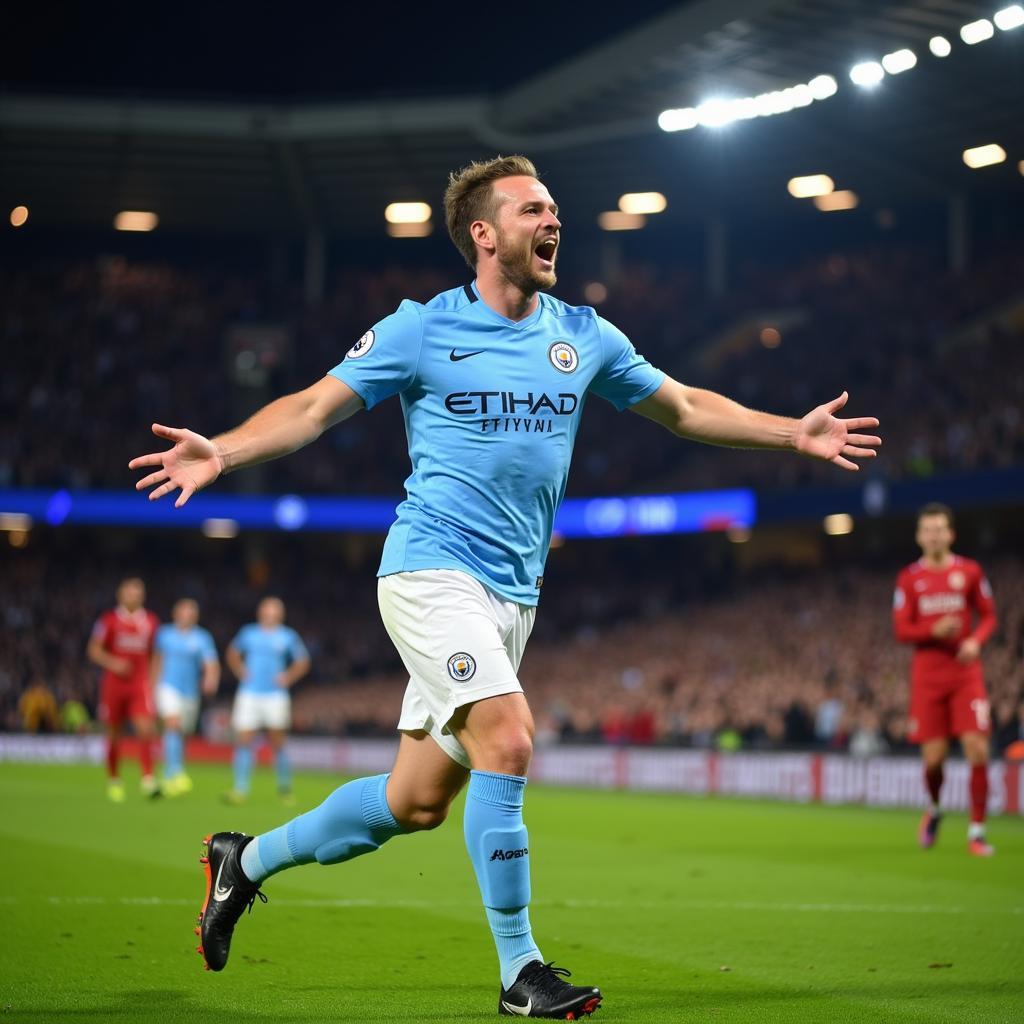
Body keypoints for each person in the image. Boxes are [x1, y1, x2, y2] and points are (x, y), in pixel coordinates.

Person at [130, 155, 881, 1019]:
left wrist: (793, 434)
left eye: (555, 208)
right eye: (532, 209)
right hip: (428, 570)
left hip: (513, 596)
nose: (552, 220)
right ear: (483, 234)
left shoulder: (584, 335)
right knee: (510, 739)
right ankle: (521, 971)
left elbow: (681, 406)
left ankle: (244, 860)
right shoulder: (420, 329)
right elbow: (308, 408)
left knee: (411, 804)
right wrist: (222, 449)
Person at [893, 502, 997, 856]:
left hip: (965, 673)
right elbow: (902, 629)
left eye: (940, 529)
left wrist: (975, 640)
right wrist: (932, 629)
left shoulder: (969, 571)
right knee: (934, 760)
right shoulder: (909, 578)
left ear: (950, 534)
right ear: (919, 536)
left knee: (977, 748)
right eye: (928, 529)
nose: (934, 535)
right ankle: (935, 809)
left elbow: (989, 617)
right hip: (927, 676)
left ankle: (977, 832)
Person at [223, 597, 310, 804]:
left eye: (275, 611)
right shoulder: (249, 632)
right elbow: (232, 653)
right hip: (249, 692)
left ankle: (284, 788)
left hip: (275, 695)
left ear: (280, 614)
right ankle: (240, 789)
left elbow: (303, 661)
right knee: (243, 739)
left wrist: (288, 677)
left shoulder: (287, 636)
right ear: (260, 612)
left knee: (277, 741)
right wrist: (240, 670)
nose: (271, 614)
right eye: (268, 610)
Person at [86, 577, 161, 801]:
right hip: (114, 685)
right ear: (121, 595)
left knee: (146, 729)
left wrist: (153, 682)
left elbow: (154, 655)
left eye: (138, 592)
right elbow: (94, 650)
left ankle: (148, 779)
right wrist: (114, 663)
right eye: (130, 592)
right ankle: (114, 779)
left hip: (139, 684)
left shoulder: (150, 621)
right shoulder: (108, 620)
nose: (134, 595)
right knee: (114, 733)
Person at [153, 598, 220, 796]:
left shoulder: (202, 638)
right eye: (184, 611)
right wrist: (150, 686)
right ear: (176, 613)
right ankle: (176, 772)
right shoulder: (164, 634)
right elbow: (156, 661)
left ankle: (168, 773)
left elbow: (211, 663)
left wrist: (210, 679)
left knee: (182, 733)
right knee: (172, 724)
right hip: (167, 687)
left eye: (191, 612)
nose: (188, 615)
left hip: (190, 692)